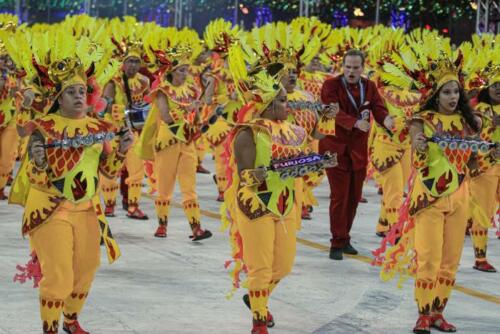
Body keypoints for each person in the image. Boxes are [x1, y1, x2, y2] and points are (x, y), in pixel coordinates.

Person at [223, 44, 337, 331]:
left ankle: (257, 299)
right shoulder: (249, 132)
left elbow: (311, 147)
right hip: (257, 205)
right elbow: (245, 178)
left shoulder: (296, 130)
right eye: (284, 101)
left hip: (286, 204)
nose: (290, 105)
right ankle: (259, 321)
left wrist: (321, 160)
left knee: (283, 266)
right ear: (269, 103)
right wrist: (262, 174)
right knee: (260, 267)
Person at [374, 49, 489, 334]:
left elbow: (471, 163)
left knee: (450, 262)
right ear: (436, 95)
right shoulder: (421, 121)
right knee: (428, 259)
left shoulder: (466, 122)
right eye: (446, 92)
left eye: (455, 92)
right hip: (429, 199)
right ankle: (423, 314)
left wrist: (481, 153)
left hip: (461, 199)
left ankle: (439, 313)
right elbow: (417, 146)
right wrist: (422, 145)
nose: (452, 97)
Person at [22, 54, 131, 334]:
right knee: (59, 274)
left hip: (88, 210)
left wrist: (121, 150)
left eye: (82, 91)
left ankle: (70, 319)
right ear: (59, 97)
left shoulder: (99, 128)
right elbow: (33, 178)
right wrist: (40, 163)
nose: (79, 96)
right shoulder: (43, 128)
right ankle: (50, 328)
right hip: (52, 210)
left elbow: (109, 171)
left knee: (86, 269)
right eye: (71, 92)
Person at [137, 29, 214, 240]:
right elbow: (166, 116)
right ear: (171, 72)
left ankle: (196, 228)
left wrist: (209, 88)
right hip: (168, 140)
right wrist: (189, 111)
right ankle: (162, 226)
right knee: (165, 186)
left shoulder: (190, 90)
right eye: (181, 70)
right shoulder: (162, 90)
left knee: (189, 187)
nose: (185, 74)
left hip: (187, 140)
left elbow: (200, 109)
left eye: (186, 70)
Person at [319, 49, 394, 260]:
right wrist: (354, 123)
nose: (351, 71)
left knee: (353, 198)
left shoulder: (369, 86)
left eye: (356, 67)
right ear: (342, 66)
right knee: (339, 197)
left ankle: (345, 238)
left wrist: (386, 120)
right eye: (348, 67)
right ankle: (336, 243)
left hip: (358, 151)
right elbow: (332, 111)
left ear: (363, 68)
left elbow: (378, 108)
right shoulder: (330, 86)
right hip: (335, 150)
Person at [100, 38, 150, 219]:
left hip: (132, 131)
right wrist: (113, 109)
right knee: (111, 170)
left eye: (137, 61)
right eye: (130, 61)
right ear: (123, 62)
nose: (133, 65)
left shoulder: (144, 81)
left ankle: (133, 206)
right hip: (113, 131)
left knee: (137, 170)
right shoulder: (113, 82)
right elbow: (103, 104)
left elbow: (146, 104)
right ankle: (109, 205)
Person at [467, 68, 499, 272]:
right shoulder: (478, 110)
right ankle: (480, 258)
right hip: (484, 167)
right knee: (482, 213)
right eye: (495, 85)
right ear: (487, 87)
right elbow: (471, 138)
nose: (499, 89)